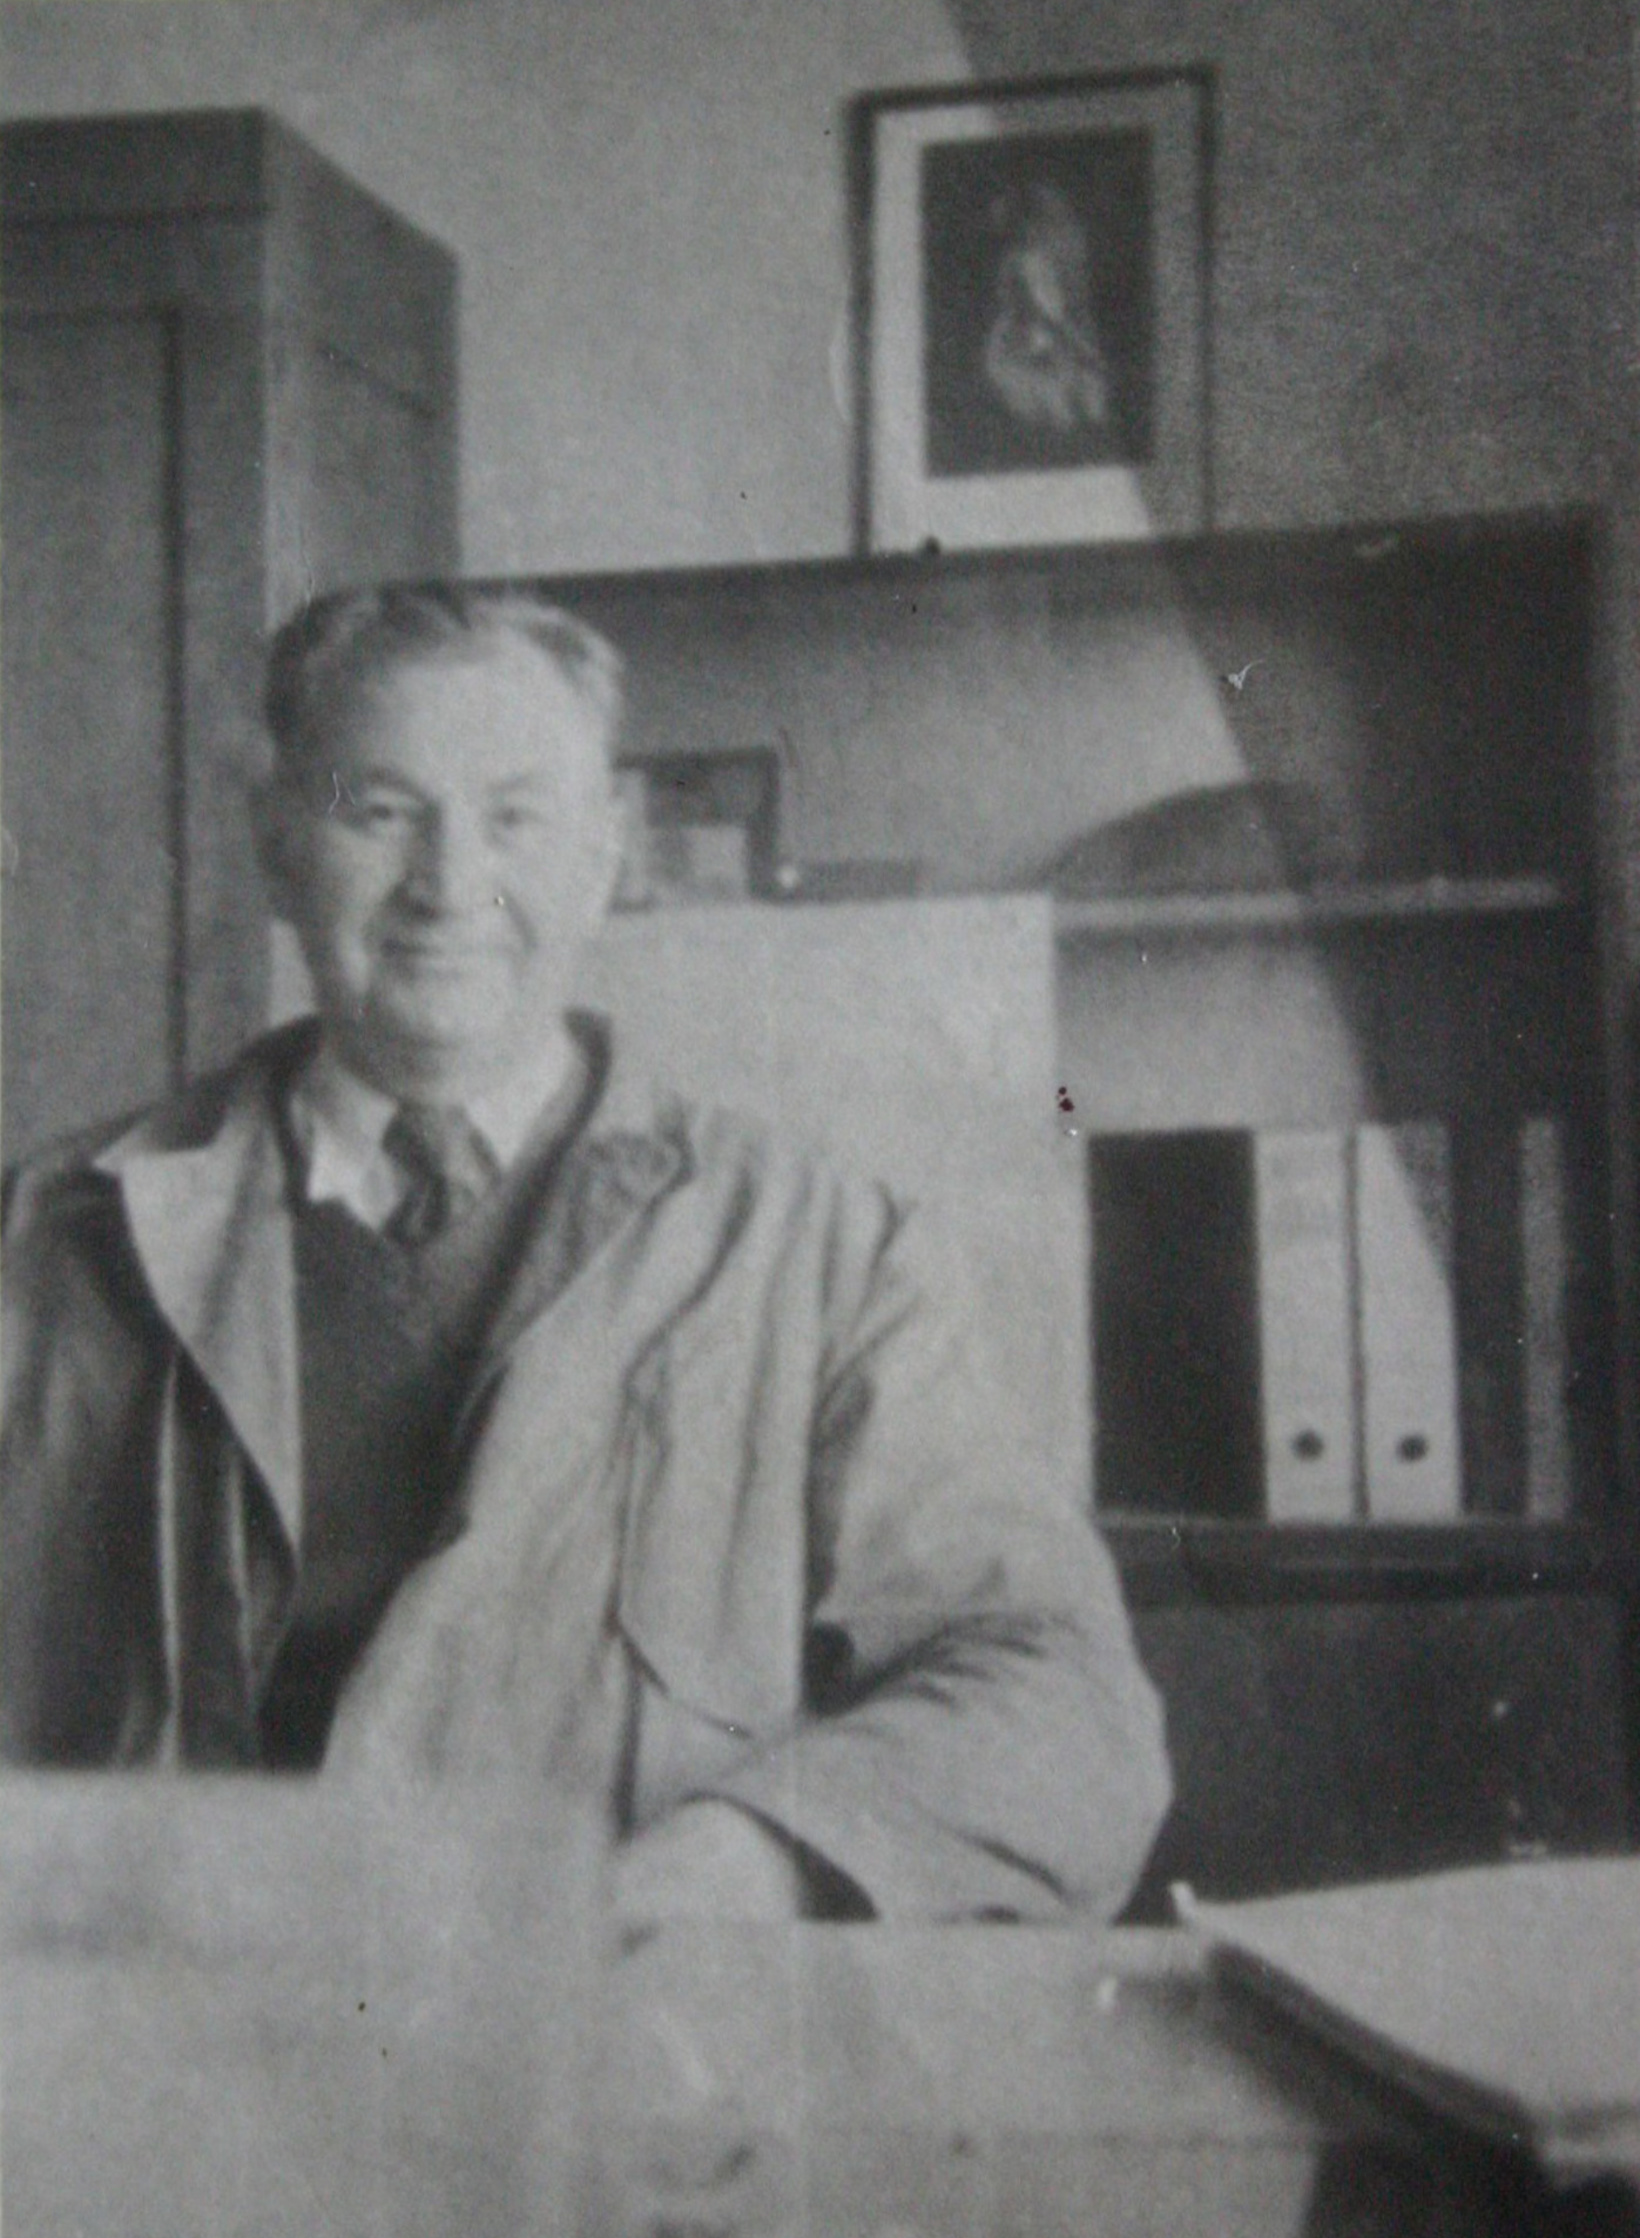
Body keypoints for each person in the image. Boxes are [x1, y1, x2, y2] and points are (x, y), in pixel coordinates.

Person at [0, 586, 1170, 1920]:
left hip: (613, 2022)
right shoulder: (49, 1240)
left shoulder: (824, 1254)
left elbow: (1061, 1696)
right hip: (155, 2018)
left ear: (603, 855)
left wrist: (752, 1853)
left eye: (515, 820)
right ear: (277, 849)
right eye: (380, 813)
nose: (450, 886)